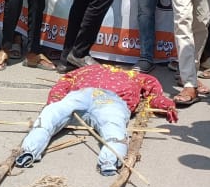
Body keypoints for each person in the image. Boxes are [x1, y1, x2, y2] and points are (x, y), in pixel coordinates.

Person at [15, 64, 178, 175]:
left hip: (111, 100)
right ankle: (29, 150)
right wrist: (55, 101)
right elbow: (63, 82)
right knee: (51, 114)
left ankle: (110, 161)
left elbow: (154, 92)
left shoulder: (136, 76)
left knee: (113, 126)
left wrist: (166, 105)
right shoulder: (87, 69)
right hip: (81, 94)